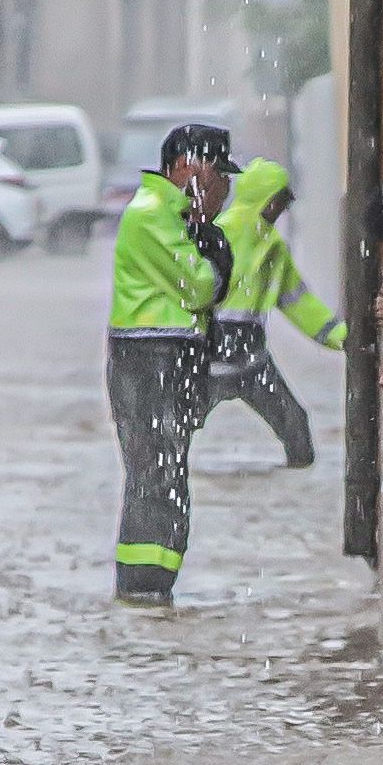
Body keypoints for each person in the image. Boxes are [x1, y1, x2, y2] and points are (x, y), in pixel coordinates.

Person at [105, 123, 240, 608]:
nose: (224, 186)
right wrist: (210, 241)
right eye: (216, 172)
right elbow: (201, 287)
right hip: (148, 357)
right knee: (154, 476)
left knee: (168, 475)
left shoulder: (179, 218)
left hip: (171, 357)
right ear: (186, 166)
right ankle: (141, 591)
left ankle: (154, 593)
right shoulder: (151, 215)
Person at [207, 159, 348, 468]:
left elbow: (299, 303)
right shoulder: (219, 234)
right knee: (177, 426)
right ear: (266, 199)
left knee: (294, 422)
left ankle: (299, 472)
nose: (283, 210)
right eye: (280, 201)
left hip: (251, 357)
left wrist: (342, 338)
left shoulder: (272, 248)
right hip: (210, 355)